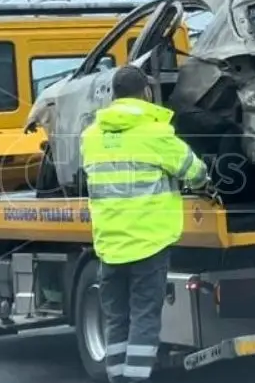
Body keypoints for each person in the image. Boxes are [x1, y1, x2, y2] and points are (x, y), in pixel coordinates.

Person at [80, 65, 211, 383]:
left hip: (109, 245)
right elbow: (193, 170)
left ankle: (119, 379)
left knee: (116, 320)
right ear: (147, 92)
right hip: (149, 243)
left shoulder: (91, 137)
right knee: (144, 318)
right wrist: (205, 181)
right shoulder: (154, 133)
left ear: (114, 94)